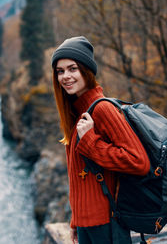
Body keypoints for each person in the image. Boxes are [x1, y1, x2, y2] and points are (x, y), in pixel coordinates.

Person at [51, 36, 150, 244]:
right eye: (60, 71)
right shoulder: (76, 112)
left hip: (106, 225)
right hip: (88, 225)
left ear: (86, 70)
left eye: (72, 69)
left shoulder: (102, 109)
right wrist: (76, 221)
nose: (65, 76)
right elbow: (79, 177)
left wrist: (91, 143)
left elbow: (139, 162)